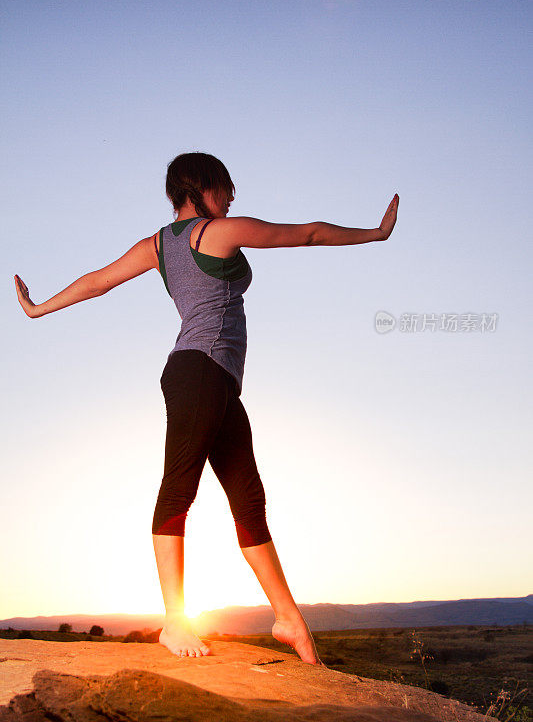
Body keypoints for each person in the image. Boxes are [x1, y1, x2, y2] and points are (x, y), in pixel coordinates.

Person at [14, 151, 399, 666]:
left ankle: (289, 620)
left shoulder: (156, 245)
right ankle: (175, 621)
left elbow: (97, 280)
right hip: (197, 373)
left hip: (215, 381)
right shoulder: (215, 231)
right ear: (201, 187)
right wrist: (374, 235)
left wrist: (41, 308)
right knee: (180, 485)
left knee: (248, 497)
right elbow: (306, 233)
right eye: (226, 189)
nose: (232, 199)